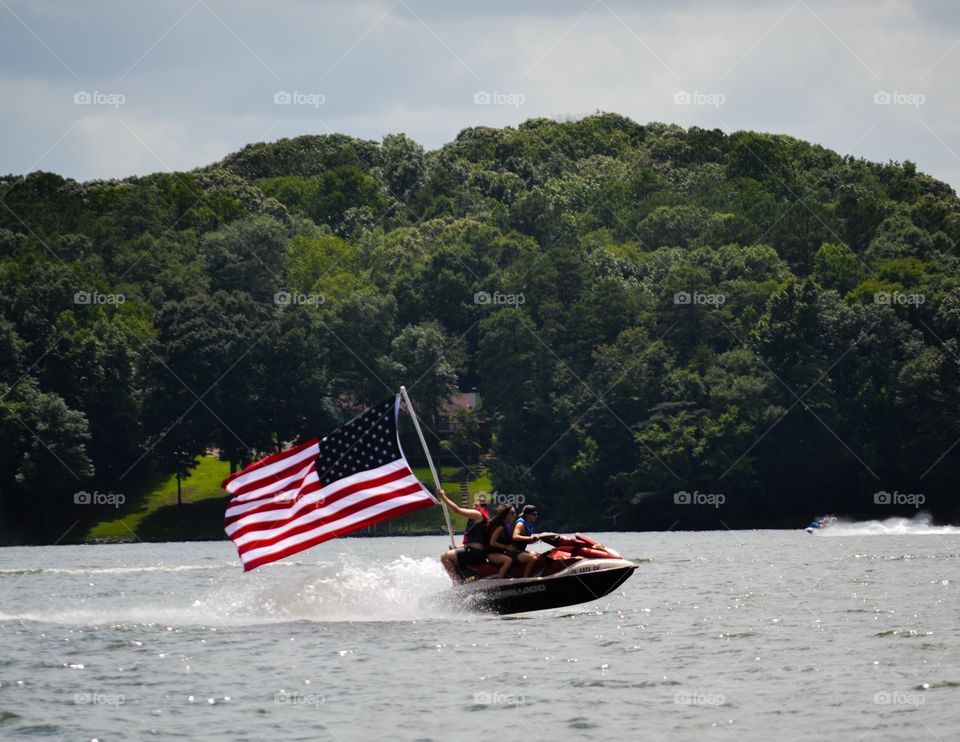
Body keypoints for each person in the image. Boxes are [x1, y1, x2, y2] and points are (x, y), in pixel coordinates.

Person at [436, 489, 504, 583]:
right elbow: (472, 541)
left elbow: (457, 510)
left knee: (444, 557)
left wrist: (443, 497)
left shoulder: (478, 515)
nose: (473, 507)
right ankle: (464, 580)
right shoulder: (477, 520)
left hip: (474, 553)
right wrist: (457, 547)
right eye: (473, 505)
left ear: (482, 507)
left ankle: (457, 584)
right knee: (452, 555)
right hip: (474, 551)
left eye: (476, 505)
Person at [487, 503, 542, 579]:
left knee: (536, 554)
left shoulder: (508, 524)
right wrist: (506, 547)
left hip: (504, 551)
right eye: (512, 513)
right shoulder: (501, 527)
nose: (515, 515)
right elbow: (492, 542)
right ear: (505, 515)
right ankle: (522, 580)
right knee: (510, 560)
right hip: (493, 553)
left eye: (515, 513)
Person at [510, 505, 544, 578]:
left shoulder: (529, 523)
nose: (536, 516)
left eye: (536, 514)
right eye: (534, 514)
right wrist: (530, 539)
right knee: (533, 558)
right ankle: (525, 579)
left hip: (523, 549)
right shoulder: (520, 524)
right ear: (527, 514)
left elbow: (528, 540)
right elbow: (515, 537)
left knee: (542, 552)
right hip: (515, 551)